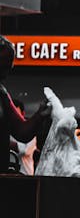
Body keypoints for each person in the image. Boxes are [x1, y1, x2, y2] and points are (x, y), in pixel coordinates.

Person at [0, 36, 48, 174]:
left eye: (8, 66)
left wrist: (40, 115)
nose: (7, 72)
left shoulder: (2, 93)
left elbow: (22, 131)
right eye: (3, 66)